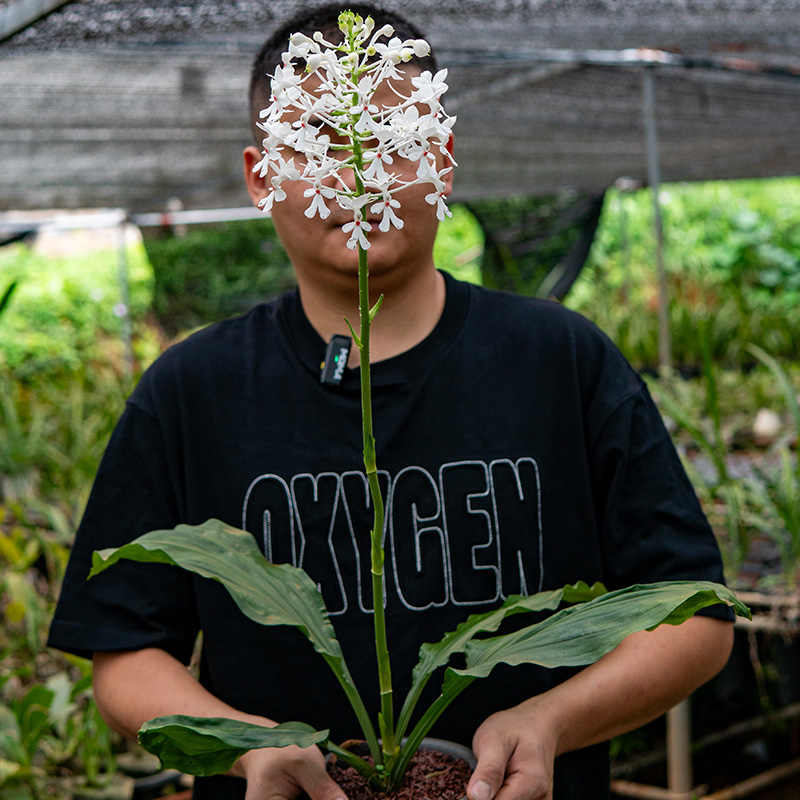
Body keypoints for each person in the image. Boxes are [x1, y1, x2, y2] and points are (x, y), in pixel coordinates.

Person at [48, 4, 735, 800]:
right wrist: (247, 749)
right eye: (320, 142)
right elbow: (124, 651)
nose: (359, 169)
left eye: (390, 137)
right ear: (262, 175)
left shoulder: (562, 360)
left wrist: (550, 720)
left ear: (441, 160)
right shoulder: (187, 390)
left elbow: (696, 616)